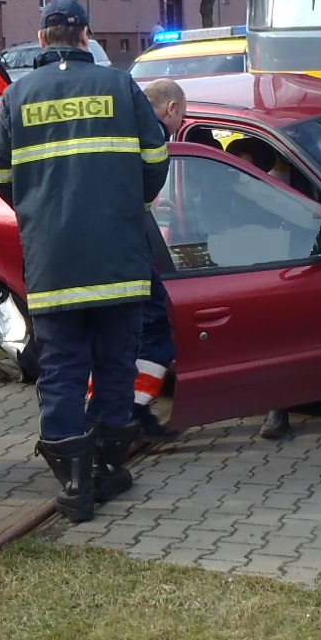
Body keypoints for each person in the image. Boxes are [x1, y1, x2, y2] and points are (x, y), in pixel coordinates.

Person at [0, 0, 169, 522]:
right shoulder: (120, 86)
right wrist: (129, 203)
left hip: (53, 262)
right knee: (117, 363)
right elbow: (156, 159)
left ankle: (73, 483)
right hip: (119, 258)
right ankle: (111, 467)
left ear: (43, 39)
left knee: (63, 370)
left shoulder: (17, 95)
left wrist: (39, 210)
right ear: (86, 35)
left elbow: (1, 176)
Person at [133, 78, 188, 439]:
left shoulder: (126, 127)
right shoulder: (152, 136)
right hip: (130, 251)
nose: (178, 126)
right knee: (156, 333)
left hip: (99, 247)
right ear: (170, 109)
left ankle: (116, 410)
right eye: (181, 118)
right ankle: (135, 411)